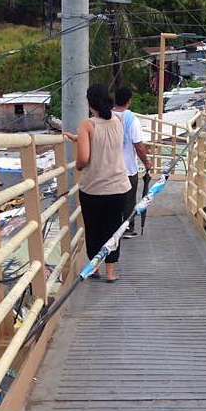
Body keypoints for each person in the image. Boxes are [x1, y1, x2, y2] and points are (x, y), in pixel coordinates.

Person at [66, 84, 130, 283]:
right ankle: (111, 272)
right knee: (112, 229)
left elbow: (84, 158)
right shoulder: (119, 119)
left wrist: (77, 165)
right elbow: (105, 140)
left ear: (89, 103)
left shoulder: (87, 125)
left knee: (93, 229)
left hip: (94, 188)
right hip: (119, 186)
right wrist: (79, 138)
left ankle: (94, 269)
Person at [113, 87, 152, 239]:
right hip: (127, 169)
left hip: (109, 169)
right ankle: (128, 228)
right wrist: (147, 162)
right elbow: (138, 146)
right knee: (129, 200)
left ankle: (112, 227)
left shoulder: (106, 116)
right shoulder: (131, 120)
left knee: (112, 200)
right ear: (129, 101)